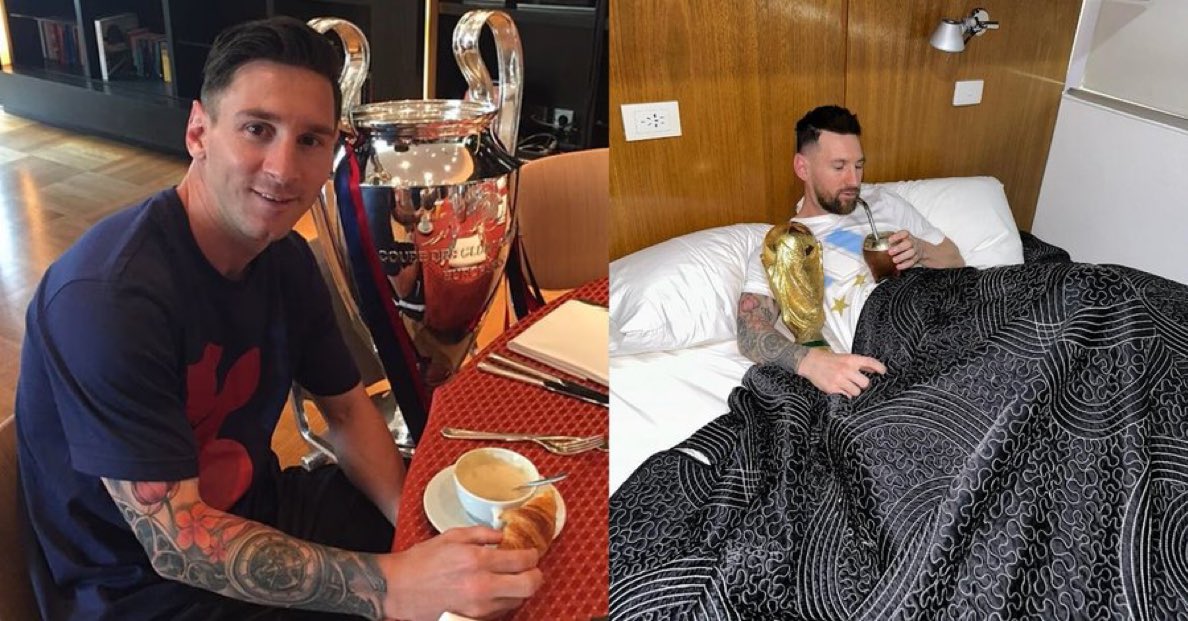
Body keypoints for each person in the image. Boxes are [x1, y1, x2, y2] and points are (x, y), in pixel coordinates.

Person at [15, 17, 540, 621]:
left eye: (311, 140)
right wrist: (393, 585)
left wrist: (419, 536)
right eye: (257, 129)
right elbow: (177, 543)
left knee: (480, 545)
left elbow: (346, 412)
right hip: (141, 590)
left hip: (253, 509)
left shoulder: (284, 258)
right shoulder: (108, 299)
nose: (284, 169)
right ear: (198, 131)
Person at [737, 105, 965, 397]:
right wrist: (811, 362)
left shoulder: (883, 200)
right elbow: (749, 331)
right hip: (896, 332)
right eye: (839, 167)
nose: (853, 181)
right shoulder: (785, 245)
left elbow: (956, 260)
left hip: (947, 301)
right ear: (802, 168)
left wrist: (920, 251)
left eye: (858, 166)